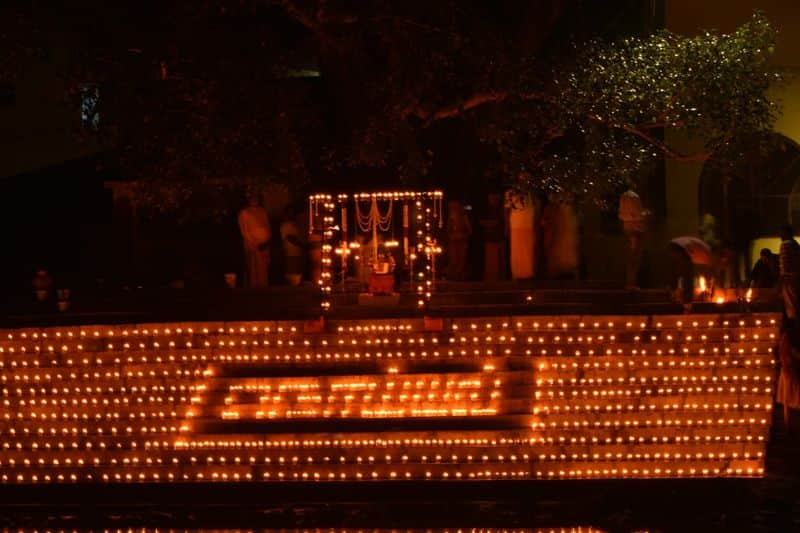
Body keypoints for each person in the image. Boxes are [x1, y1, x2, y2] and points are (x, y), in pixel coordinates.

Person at [238, 194, 271, 288]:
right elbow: (244, 230)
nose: (254, 199)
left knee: (263, 267)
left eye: (256, 197)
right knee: (253, 266)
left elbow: (267, 225)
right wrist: (254, 242)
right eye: (252, 197)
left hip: (264, 243)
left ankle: (263, 285)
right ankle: (252, 286)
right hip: (252, 244)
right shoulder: (244, 212)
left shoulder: (262, 211)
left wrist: (267, 240)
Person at [618, 188, 647, 288]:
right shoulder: (634, 197)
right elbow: (636, 214)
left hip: (628, 227)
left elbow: (622, 214)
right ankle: (632, 283)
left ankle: (630, 283)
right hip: (636, 228)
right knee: (634, 258)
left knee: (631, 258)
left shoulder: (623, 197)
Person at [505, 188, 536, 280]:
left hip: (528, 225)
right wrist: (507, 227)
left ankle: (528, 274)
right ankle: (517, 274)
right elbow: (506, 210)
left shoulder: (531, 192)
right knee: (517, 251)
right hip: (516, 226)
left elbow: (535, 207)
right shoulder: (510, 192)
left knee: (528, 251)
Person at [777, 322, 800, 434]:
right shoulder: (787, 340)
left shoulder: (784, 340)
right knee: (790, 397)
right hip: (789, 371)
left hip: (788, 370)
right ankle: (788, 424)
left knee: (788, 398)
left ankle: (787, 423)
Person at [481, 192, 506, 281]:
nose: (493, 201)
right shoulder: (487, 210)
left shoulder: (501, 210)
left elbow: (504, 222)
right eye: (492, 199)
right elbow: (482, 221)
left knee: (500, 260)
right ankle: (491, 278)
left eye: (495, 199)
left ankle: (501, 277)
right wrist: (489, 224)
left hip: (499, 238)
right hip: (490, 239)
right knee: (491, 262)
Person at [446, 200, 472, 281]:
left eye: (455, 207)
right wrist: (451, 235)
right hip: (453, 241)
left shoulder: (464, 217)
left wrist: (463, 235)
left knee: (462, 259)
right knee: (454, 259)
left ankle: (461, 276)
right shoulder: (450, 219)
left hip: (462, 241)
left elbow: (470, 230)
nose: (453, 209)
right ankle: (454, 276)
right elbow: (448, 230)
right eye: (452, 207)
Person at [779, 224, 800, 322]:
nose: (780, 236)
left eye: (781, 233)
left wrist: (782, 278)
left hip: (789, 279)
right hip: (796, 278)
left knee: (791, 303)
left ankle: (793, 324)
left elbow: (784, 265)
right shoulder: (796, 245)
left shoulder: (785, 245)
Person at [280, 206, 305, 286]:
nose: (291, 214)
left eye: (292, 212)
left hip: (298, 252)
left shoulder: (297, 224)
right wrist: (300, 244)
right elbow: (288, 237)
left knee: (298, 270)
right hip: (290, 252)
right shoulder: (285, 225)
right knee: (291, 270)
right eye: (289, 212)